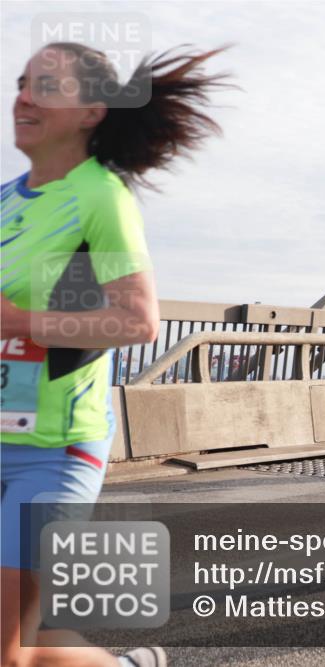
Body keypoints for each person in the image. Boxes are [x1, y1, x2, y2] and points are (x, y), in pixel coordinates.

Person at [2, 42, 229, 666]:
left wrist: (21, 320)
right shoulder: (5, 201)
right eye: (23, 82)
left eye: (45, 85)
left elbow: (137, 320)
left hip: (51, 452)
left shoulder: (99, 197)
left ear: (91, 112)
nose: (23, 95)